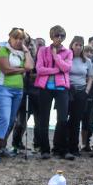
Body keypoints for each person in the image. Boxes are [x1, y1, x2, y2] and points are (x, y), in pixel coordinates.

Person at [0, 28, 34, 163]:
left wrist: (26, 51)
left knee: (12, 120)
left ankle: (2, 147)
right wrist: (22, 69)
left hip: (18, 90)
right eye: (16, 38)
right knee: (4, 119)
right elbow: (6, 69)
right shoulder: (4, 50)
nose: (18, 41)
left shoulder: (22, 52)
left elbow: (30, 66)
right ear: (10, 38)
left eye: (21, 39)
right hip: (2, 88)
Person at [34, 25, 72, 159]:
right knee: (43, 119)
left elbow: (67, 68)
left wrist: (56, 57)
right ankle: (44, 150)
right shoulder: (42, 50)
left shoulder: (68, 52)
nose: (59, 38)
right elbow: (39, 69)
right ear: (51, 36)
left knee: (62, 119)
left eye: (62, 36)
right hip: (45, 88)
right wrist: (57, 70)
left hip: (61, 89)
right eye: (57, 35)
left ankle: (60, 149)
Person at [66, 36, 93, 158]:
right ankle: (63, 147)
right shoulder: (67, 57)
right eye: (76, 44)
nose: (78, 47)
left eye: (80, 45)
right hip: (67, 91)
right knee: (64, 120)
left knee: (76, 120)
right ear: (72, 45)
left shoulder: (87, 61)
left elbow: (91, 77)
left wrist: (87, 90)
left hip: (81, 91)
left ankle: (74, 147)